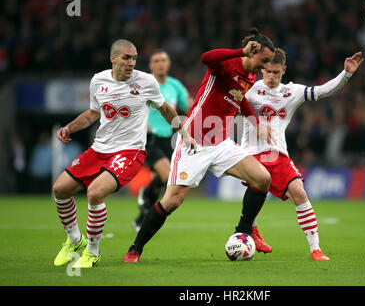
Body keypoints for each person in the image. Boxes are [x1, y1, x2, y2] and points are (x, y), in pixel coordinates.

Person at [123, 28, 275, 263]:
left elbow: (239, 97)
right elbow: (206, 58)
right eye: (263, 61)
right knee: (172, 201)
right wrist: (240, 51)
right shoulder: (227, 63)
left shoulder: (250, 77)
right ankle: (135, 248)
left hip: (221, 143)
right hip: (193, 142)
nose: (264, 67)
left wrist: (256, 123)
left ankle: (244, 231)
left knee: (263, 178)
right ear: (252, 51)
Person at [52, 39, 196, 268]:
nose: (131, 63)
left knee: (95, 192)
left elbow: (166, 109)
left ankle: (92, 251)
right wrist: (69, 127)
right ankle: (74, 240)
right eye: (126, 58)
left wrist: (184, 134)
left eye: (134, 58)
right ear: (113, 59)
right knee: (60, 189)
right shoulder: (98, 81)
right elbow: (92, 113)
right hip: (100, 149)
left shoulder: (146, 82)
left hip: (130, 152)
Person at [238, 48, 364, 260]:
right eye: (267, 71)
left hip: (278, 154)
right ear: (261, 69)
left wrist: (346, 74)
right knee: (256, 189)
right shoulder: (250, 89)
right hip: (251, 153)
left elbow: (323, 91)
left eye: (276, 73)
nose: (270, 77)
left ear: (284, 71)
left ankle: (315, 248)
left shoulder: (292, 92)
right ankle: (251, 231)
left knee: (300, 193)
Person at [133, 50, 193, 232]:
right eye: (156, 60)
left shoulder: (175, 85)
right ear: (151, 66)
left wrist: (198, 106)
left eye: (164, 60)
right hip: (149, 139)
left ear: (168, 64)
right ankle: (143, 193)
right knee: (167, 176)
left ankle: (140, 219)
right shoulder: (145, 84)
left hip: (169, 139)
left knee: (159, 185)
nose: (160, 63)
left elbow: (187, 103)